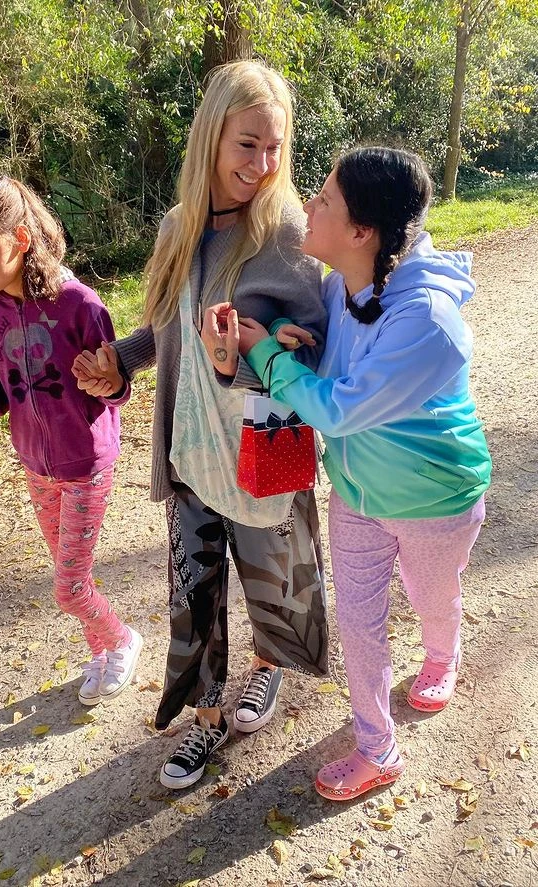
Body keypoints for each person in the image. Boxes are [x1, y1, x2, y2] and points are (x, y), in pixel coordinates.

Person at [72, 61, 329, 790]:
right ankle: (206, 717)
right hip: (190, 452)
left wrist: (246, 352)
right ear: (212, 134)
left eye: (275, 147)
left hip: (261, 450)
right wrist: (117, 362)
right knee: (196, 588)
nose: (264, 163)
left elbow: (307, 342)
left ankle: (268, 665)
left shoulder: (284, 231)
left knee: (272, 580)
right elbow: (163, 324)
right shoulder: (178, 226)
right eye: (248, 144)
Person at [229, 146, 491, 801]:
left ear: (359, 232)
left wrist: (261, 350)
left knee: (433, 598)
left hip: (436, 499)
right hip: (357, 495)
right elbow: (323, 347)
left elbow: (338, 408)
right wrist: (287, 330)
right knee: (359, 623)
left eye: (322, 199)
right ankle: (378, 748)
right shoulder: (339, 285)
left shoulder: (429, 322)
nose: (308, 207)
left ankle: (442, 653)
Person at [0, 173, 142, 707]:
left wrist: (109, 381)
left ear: (22, 239)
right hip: (35, 465)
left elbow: (119, 388)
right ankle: (101, 651)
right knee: (69, 574)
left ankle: (122, 640)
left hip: (86, 465)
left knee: (69, 586)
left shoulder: (79, 304)